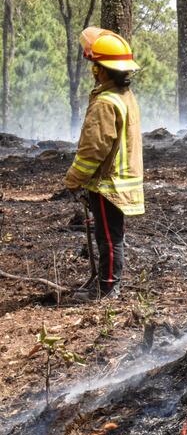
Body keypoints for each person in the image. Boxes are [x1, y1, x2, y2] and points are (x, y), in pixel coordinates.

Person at [63, 27, 144, 302]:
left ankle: (108, 288)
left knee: (108, 238)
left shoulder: (105, 103)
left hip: (109, 183)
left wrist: (74, 179)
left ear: (102, 70)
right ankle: (105, 282)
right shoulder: (124, 97)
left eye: (95, 65)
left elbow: (93, 149)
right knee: (110, 235)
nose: (92, 70)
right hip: (118, 180)